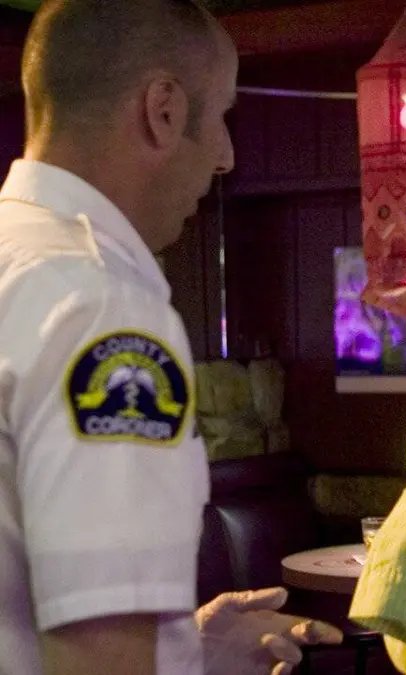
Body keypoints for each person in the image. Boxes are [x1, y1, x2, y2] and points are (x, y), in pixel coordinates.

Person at [0, 2, 342, 674]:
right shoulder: (102, 308)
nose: (226, 156)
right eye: (221, 117)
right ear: (163, 110)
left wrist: (185, 648)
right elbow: (99, 659)